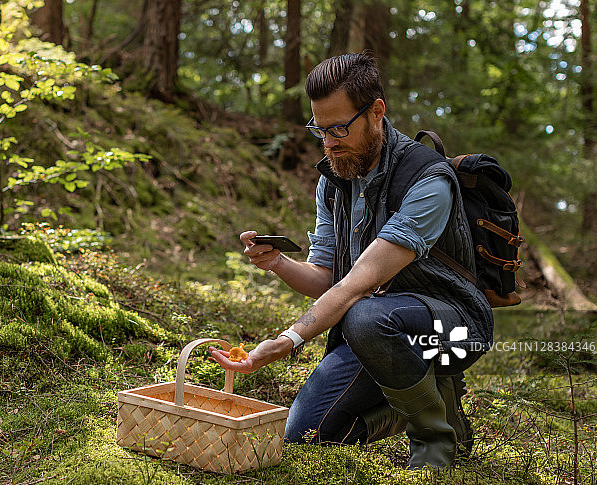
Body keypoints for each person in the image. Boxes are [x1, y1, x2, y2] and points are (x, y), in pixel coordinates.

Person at [209, 52, 494, 469]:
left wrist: (287, 341)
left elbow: (357, 284)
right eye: (320, 129)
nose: (328, 142)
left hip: (452, 326)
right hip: (375, 329)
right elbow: (327, 279)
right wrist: (278, 264)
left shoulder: (428, 179)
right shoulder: (333, 181)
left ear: (376, 112)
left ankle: (435, 442)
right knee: (306, 435)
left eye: (339, 128)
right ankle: (431, 401)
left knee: (364, 316)